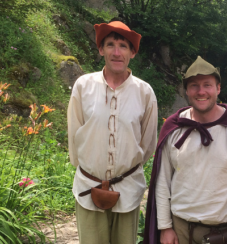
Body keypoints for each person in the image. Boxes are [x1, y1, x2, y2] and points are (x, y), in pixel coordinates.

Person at [144, 56, 227, 244]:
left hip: (222, 235)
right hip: (178, 233)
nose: (201, 91)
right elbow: (162, 181)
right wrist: (165, 226)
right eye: (194, 85)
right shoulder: (174, 127)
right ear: (186, 91)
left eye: (207, 85)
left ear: (218, 88)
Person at [67, 21, 157, 244]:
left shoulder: (144, 92)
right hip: (89, 186)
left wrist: (124, 169)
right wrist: (91, 170)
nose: (117, 52)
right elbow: (74, 133)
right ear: (101, 50)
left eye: (123, 46)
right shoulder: (83, 86)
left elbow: (147, 145)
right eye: (110, 45)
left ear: (132, 53)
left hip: (128, 188)